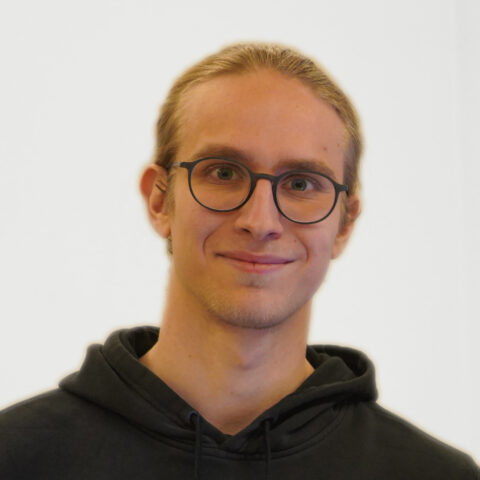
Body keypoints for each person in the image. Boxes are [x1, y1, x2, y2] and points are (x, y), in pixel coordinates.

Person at [0, 42, 478, 480]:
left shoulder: (435, 475)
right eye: (224, 173)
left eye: (301, 183)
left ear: (345, 222)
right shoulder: (15, 457)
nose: (260, 221)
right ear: (160, 200)